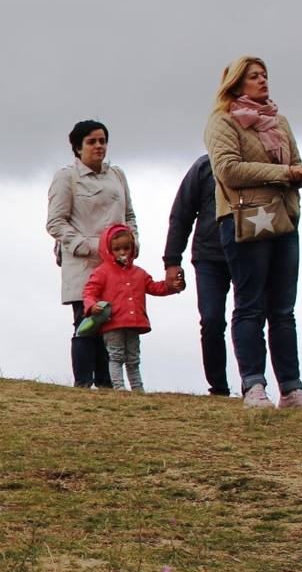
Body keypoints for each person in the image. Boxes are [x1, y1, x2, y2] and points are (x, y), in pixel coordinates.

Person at [205, 57, 302, 409]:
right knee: (250, 304)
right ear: (236, 84)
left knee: (284, 309)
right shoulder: (222, 122)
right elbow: (228, 170)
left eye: (265, 75)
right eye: (254, 76)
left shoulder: (280, 121)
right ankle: (254, 385)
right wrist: (284, 173)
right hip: (245, 219)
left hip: (284, 219)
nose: (262, 81)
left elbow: (294, 162)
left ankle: (291, 388)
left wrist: (299, 173)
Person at [46, 120, 134, 388]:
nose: (99, 146)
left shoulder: (117, 175)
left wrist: (132, 244)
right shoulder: (66, 177)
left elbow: (129, 215)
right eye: (92, 142)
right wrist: (91, 246)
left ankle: (108, 385)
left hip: (117, 266)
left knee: (113, 326)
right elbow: (55, 222)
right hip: (84, 265)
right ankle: (83, 384)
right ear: (77, 147)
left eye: (102, 141)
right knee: (87, 323)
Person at [162, 153, 233, 395]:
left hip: (250, 254)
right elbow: (181, 213)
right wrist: (172, 260)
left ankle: (253, 384)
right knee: (212, 320)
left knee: (251, 318)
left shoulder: (258, 159)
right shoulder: (204, 165)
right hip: (209, 256)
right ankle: (219, 387)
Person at [81, 225, 178, 392]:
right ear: (109, 250)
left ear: (132, 248)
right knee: (116, 356)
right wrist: (91, 306)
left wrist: (171, 286)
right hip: (113, 323)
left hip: (134, 323)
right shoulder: (102, 272)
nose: (122, 252)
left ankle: (137, 389)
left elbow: (154, 287)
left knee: (133, 359)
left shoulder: (139, 273)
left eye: (126, 248)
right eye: (117, 249)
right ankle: (119, 388)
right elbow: (89, 292)